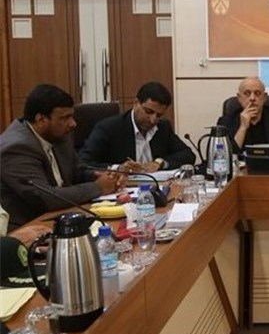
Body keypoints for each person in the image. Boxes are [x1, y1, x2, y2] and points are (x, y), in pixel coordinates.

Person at [0, 84, 122, 231]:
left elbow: (77, 171)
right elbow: (45, 197)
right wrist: (98, 187)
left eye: (72, 116)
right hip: (27, 228)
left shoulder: (58, 136)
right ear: (41, 119)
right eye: (65, 118)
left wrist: (102, 176)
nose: (73, 124)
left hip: (63, 217)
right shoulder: (16, 148)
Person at [79, 82, 195, 171]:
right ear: (135, 103)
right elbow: (83, 163)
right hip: (121, 189)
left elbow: (187, 155)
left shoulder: (162, 127)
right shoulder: (109, 128)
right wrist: (118, 168)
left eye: (158, 115)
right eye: (148, 112)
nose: (153, 120)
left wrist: (159, 163)